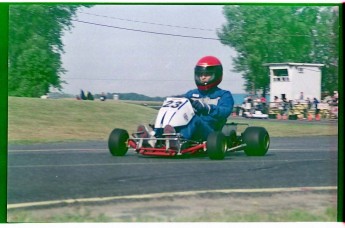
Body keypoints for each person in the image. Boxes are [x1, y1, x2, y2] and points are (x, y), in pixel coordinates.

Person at [137, 56, 234, 147]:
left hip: (210, 130)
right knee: (173, 117)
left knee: (195, 119)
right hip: (190, 127)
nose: (203, 77)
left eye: (207, 75)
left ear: (216, 75)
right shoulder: (191, 94)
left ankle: (179, 140)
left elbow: (225, 111)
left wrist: (206, 108)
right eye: (200, 75)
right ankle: (154, 138)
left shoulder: (224, 95)